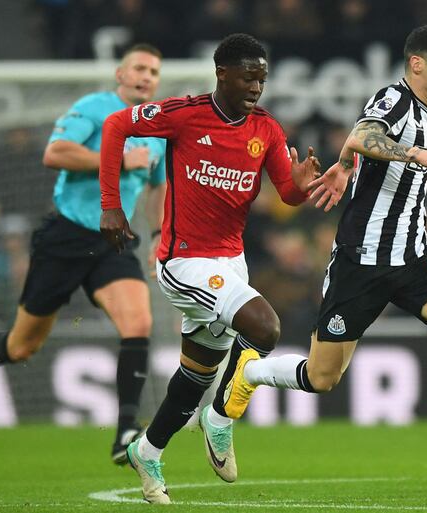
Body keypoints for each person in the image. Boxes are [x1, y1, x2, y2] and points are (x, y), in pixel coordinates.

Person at [221, 25, 427, 498]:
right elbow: (365, 132)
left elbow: (356, 145)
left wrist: (343, 166)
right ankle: (252, 372)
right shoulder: (395, 99)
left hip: (413, 258)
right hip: (360, 261)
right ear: (417, 64)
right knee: (322, 378)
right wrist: (412, 154)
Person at [99, 33, 321, 504]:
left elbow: (287, 192)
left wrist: (303, 188)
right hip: (184, 261)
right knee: (265, 327)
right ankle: (220, 415)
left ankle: (148, 450)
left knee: (195, 376)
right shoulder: (185, 114)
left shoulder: (267, 130)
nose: (256, 87)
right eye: (248, 77)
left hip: (229, 263)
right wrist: (111, 206)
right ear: (222, 74)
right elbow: (117, 125)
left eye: (261, 79)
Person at [0, 44, 167, 466]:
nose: (146, 76)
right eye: (139, 67)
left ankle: (126, 436)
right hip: (65, 237)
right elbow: (54, 153)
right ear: (121, 73)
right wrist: (115, 158)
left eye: (153, 71)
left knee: (139, 322)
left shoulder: (157, 128)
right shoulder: (95, 108)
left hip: (113, 240)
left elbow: (158, 185)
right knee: (22, 346)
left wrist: (157, 233)